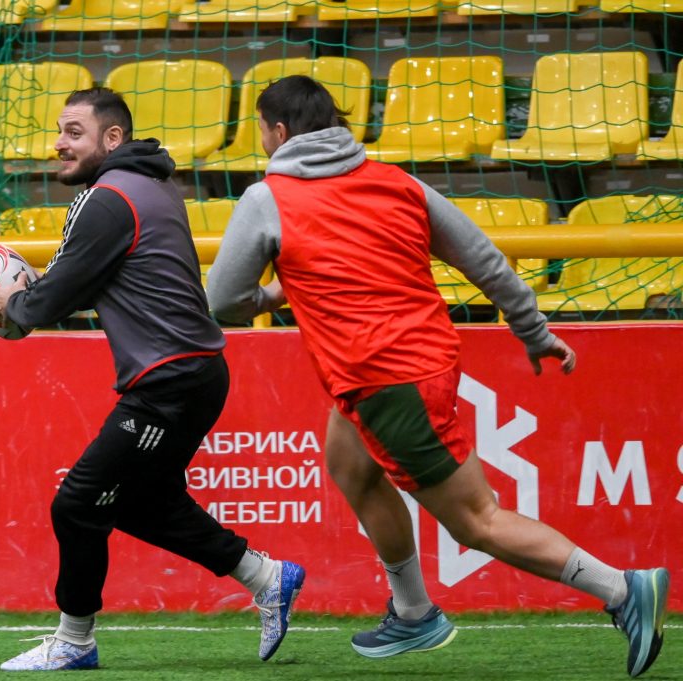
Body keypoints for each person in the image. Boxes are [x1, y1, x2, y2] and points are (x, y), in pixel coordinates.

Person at [206, 75, 670, 678]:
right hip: (421, 362)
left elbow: (224, 300)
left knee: (477, 521)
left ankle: (623, 590)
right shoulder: (397, 181)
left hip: (386, 379)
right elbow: (484, 259)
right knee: (349, 465)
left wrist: (272, 294)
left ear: (278, 131)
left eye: (263, 131)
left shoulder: (268, 197)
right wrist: (532, 330)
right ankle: (413, 612)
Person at [0, 87, 305, 672]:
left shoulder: (105, 199)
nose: (59, 144)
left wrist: (16, 309)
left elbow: (59, 292)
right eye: (60, 131)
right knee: (138, 502)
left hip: (170, 382)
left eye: (74, 132)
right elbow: (99, 276)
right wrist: (33, 299)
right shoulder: (153, 184)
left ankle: (74, 641)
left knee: (77, 504)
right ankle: (266, 577)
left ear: (112, 138)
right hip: (191, 373)